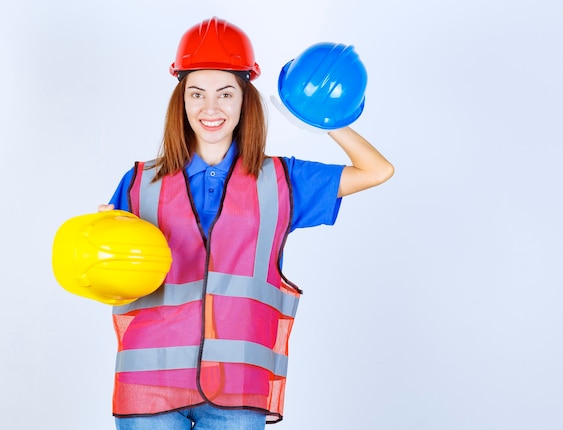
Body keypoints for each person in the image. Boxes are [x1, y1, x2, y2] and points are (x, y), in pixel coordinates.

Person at [99, 17, 394, 430]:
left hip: (237, 389)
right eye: (196, 94)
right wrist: (99, 242)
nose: (210, 108)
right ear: (181, 101)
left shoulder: (283, 181)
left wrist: (322, 117)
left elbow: (377, 170)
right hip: (151, 384)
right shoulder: (138, 183)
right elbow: (109, 277)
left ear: (245, 100)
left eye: (226, 93)